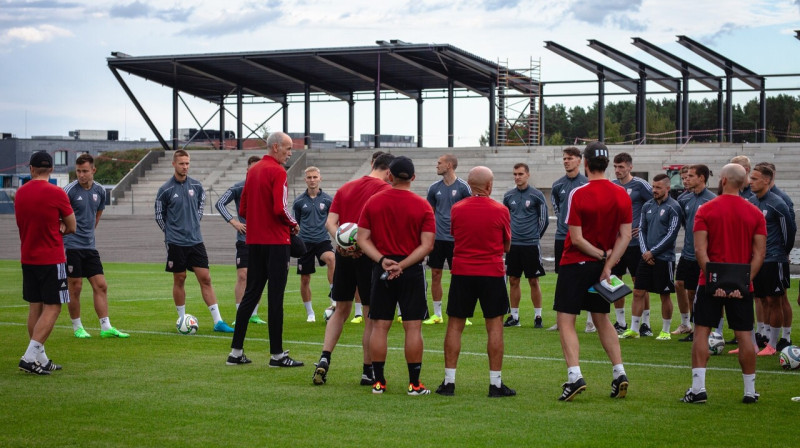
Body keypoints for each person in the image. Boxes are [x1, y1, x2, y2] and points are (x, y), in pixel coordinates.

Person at [681, 163, 765, 404]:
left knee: (701, 332)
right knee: (745, 336)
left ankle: (698, 389)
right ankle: (749, 391)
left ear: (724, 180)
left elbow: (700, 250)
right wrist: (743, 281)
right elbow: (759, 254)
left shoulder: (706, 210)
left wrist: (713, 279)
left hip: (709, 283)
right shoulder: (755, 213)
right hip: (742, 285)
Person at [553, 142, 632, 402]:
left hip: (576, 262)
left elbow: (575, 238)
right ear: (607, 164)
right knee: (601, 318)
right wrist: (608, 263)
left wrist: (599, 256)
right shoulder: (622, 193)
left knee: (566, 319)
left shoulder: (579, 192)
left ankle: (574, 375)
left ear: (585, 163)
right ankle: (619, 372)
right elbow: (625, 235)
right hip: (602, 267)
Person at [311, 153, 394, 385]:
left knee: (341, 309)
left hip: (343, 254)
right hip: (369, 256)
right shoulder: (385, 190)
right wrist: (362, 246)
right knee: (369, 315)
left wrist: (341, 244)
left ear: (372, 165)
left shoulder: (346, 187)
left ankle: (324, 358)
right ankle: (367, 371)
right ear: (389, 172)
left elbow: (330, 222)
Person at [357, 156, 435, 395]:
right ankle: (414, 384)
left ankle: (378, 382)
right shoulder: (423, 205)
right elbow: (427, 245)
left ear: (389, 175)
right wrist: (402, 265)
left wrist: (382, 261)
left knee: (379, 326)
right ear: (413, 177)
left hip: (382, 268)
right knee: (413, 328)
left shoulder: (373, 202)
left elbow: (362, 239)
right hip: (410, 269)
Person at [435, 166, 515, 397]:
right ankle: (495, 384)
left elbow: (455, 235)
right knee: (495, 326)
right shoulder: (500, 210)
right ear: (489, 186)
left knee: (455, 325)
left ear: (469, 186)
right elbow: (506, 245)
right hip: (491, 272)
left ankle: (449, 382)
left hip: (463, 272)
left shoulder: (457, 209)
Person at [226, 132, 303, 367]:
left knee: (251, 295)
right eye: (288, 149)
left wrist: (259, 223)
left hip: (254, 241)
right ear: (276, 147)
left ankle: (236, 352)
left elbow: (244, 208)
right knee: (275, 298)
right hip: (277, 243)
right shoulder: (278, 171)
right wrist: (294, 224)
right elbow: (280, 208)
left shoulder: (253, 171)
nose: (290, 153)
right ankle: (277, 355)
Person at [155, 149, 234, 333]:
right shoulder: (165, 190)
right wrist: (171, 233)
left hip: (195, 240)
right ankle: (182, 318)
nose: (185, 167)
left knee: (205, 278)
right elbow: (159, 216)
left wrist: (192, 226)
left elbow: (199, 209)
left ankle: (218, 321)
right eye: (181, 163)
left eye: (187, 163)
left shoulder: (197, 187)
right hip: (175, 242)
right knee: (180, 278)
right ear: (174, 164)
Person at [15, 151, 76, 374]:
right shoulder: (56, 193)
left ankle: (40, 357)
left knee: (35, 305)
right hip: (51, 258)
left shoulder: (20, 194)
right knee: (54, 306)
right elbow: (72, 226)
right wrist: (59, 224)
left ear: (31, 169)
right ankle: (30, 355)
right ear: (51, 170)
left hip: (28, 257)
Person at [64, 154, 129, 339]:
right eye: (78, 171)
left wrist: (88, 234)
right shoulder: (69, 190)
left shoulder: (100, 191)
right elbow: (58, 215)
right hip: (71, 246)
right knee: (75, 287)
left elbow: (97, 214)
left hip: (89, 247)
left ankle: (106, 327)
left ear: (93, 170)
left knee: (101, 285)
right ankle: (77, 327)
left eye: (85, 171)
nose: (81, 175)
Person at [619, 174, 681, 341]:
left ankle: (665, 330)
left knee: (664, 294)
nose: (654, 190)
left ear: (667, 188)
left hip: (664, 258)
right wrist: (646, 252)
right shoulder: (647, 206)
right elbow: (641, 231)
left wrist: (652, 252)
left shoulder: (674, 207)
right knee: (638, 291)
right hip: (646, 256)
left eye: (658, 187)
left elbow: (671, 235)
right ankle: (634, 329)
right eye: (653, 187)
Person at [747, 164, 795, 356]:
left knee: (774, 300)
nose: (751, 182)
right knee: (761, 299)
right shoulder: (751, 202)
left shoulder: (778, 203)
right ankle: (765, 337)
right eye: (751, 178)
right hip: (756, 260)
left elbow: (788, 234)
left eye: (755, 179)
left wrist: (780, 254)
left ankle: (774, 344)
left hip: (774, 259)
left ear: (767, 180)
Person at [215, 155, 267, 326]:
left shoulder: (267, 187)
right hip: (244, 239)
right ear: (247, 169)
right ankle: (240, 315)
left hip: (263, 240)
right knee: (243, 276)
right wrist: (233, 221)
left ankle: (253, 314)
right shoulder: (238, 187)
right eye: (252, 168)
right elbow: (220, 203)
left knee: (259, 277)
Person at [423, 154, 471, 325]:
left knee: (458, 277)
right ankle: (437, 314)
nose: (436, 166)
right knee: (435, 274)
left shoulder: (464, 187)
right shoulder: (433, 188)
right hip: (438, 239)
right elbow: (429, 214)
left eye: (439, 163)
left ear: (449, 165)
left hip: (457, 240)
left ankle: (460, 313)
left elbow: (470, 212)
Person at [611, 153, 653, 336]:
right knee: (615, 281)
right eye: (615, 167)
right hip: (616, 244)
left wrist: (643, 228)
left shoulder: (641, 185)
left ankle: (645, 323)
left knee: (640, 283)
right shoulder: (611, 186)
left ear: (630, 167)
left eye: (621, 167)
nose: (618, 170)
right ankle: (620, 322)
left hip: (636, 244)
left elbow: (655, 205)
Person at [502, 163, 549, 328]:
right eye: (515, 174)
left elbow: (544, 220)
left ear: (527, 175)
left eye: (520, 174)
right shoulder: (508, 196)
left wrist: (535, 237)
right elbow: (505, 220)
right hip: (513, 246)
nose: (517, 177)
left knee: (533, 280)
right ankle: (514, 317)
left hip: (531, 245)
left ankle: (538, 317)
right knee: (513, 280)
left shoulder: (537, 195)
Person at [549, 147, 590, 332]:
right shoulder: (557, 185)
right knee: (563, 279)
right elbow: (557, 207)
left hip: (584, 238)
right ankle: (562, 321)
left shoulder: (587, 184)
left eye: (570, 158)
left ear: (580, 160)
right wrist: (564, 223)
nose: (566, 161)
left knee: (590, 277)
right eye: (564, 158)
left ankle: (591, 320)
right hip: (562, 237)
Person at [673, 164, 716, 342]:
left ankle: (710, 329)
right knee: (681, 286)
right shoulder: (684, 199)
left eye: (690, 176)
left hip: (704, 254)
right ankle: (689, 324)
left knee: (706, 292)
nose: (686, 179)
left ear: (701, 178)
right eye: (685, 176)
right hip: (688, 252)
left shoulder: (712, 200)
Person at [292, 166, 335, 323]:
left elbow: (332, 221)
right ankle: (310, 313)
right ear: (305, 180)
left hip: (322, 240)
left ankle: (333, 296)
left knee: (332, 259)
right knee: (305, 279)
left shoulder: (328, 200)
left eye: (314, 177)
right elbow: (294, 223)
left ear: (320, 178)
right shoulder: (299, 202)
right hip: (304, 243)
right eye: (309, 177)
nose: (312, 180)